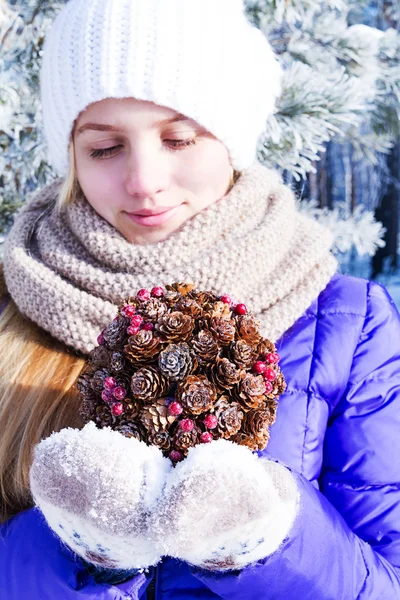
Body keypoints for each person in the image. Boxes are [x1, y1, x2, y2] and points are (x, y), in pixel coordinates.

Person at [0, 0, 400, 598]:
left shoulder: (347, 325)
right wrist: (82, 549)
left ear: (233, 140)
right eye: (104, 148)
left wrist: (262, 540)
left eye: (179, 138)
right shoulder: (16, 302)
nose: (144, 181)